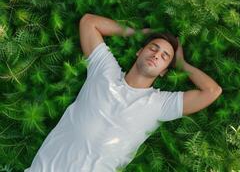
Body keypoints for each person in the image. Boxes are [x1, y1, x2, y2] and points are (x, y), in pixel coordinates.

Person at [24, 13, 222, 171]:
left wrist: (182, 64)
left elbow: (212, 91)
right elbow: (88, 22)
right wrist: (133, 32)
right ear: (139, 51)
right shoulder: (105, 70)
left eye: (164, 56)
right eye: (153, 47)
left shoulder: (160, 104)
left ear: (164, 71)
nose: (156, 55)